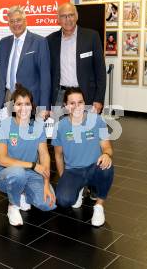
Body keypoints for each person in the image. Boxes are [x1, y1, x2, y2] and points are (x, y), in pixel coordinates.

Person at [0, 84, 55, 226]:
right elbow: (2, 159)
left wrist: (46, 183)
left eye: (27, 104)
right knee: (18, 173)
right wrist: (33, 165)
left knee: (48, 204)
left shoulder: (38, 126)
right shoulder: (4, 125)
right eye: (19, 104)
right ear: (13, 106)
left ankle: (23, 193)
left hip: (32, 174)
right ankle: (13, 205)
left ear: (32, 106)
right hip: (7, 174)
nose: (23, 108)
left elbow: (45, 155)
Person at [52, 87, 114, 227]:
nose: (77, 106)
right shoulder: (60, 127)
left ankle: (99, 206)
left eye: (80, 102)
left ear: (84, 103)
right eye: (72, 103)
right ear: (66, 106)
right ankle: (78, 188)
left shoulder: (97, 121)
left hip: (94, 168)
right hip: (73, 171)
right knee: (63, 200)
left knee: (107, 167)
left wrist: (106, 155)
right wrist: (63, 178)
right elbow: (58, 154)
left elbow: (107, 147)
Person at [46, 2, 106, 113]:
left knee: (86, 128)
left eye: (71, 15)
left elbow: (100, 72)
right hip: (60, 96)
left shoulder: (92, 37)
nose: (68, 19)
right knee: (60, 128)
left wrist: (99, 99)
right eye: (63, 16)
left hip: (86, 94)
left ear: (77, 16)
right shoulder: (50, 40)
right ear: (58, 19)